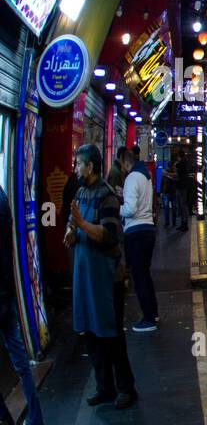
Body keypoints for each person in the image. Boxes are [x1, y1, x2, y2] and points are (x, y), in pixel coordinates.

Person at [66, 144, 137, 410]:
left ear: (90, 167)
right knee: (92, 334)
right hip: (85, 276)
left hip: (107, 279)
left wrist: (82, 225)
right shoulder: (81, 192)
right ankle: (103, 386)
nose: (75, 169)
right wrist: (71, 233)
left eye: (78, 164)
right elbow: (73, 226)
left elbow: (108, 235)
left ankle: (125, 388)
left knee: (112, 334)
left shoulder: (107, 196)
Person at [0, 185, 47, 425]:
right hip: (6, 295)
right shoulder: (3, 197)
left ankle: (5, 419)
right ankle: (36, 423)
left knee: (21, 363)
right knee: (21, 363)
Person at [121, 148, 159, 332]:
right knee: (145, 274)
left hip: (136, 231)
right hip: (148, 229)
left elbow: (129, 209)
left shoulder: (131, 178)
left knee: (139, 277)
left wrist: (116, 209)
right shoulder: (145, 176)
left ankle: (148, 319)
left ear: (125, 163)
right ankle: (153, 312)